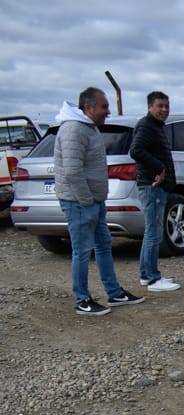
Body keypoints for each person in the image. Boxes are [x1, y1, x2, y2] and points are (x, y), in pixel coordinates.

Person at [54, 87, 145, 316]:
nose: (108, 111)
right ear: (89, 107)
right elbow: (73, 171)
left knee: (103, 245)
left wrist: (94, 200)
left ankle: (114, 293)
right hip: (80, 202)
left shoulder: (88, 128)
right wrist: (86, 201)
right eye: (104, 106)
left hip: (93, 201)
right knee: (82, 251)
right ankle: (82, 300)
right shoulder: (74, 130)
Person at [129, 91, 180, 292]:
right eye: (160, 106)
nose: (164, 110)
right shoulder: (147, 126)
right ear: (150, 106)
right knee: (154, 232)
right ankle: (152, 279)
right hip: (153, 186)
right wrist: (159, 168)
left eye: (167, 106)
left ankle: (146, 274)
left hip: (156, 186)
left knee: (152, 231)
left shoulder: (155, 126)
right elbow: (136, 150)